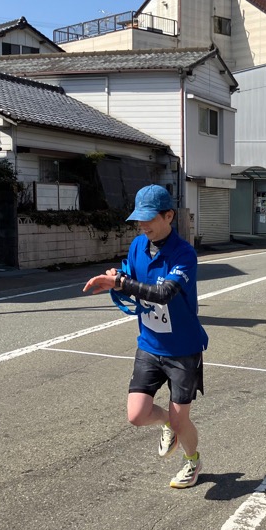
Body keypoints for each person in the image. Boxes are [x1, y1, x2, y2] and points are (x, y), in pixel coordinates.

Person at [83, 184, 209, 489]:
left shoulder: (184, 253)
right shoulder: (138, 245)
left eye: (149, 218)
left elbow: (164, 293)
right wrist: (116, 277)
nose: (143, 225)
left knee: (182, 422)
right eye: (139, 219)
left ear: (169, 216)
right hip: (150, 344)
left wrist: (122, 283)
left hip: (183, 349)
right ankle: (166, 422)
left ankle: (192, 461)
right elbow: (130, 275)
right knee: (137, 415)